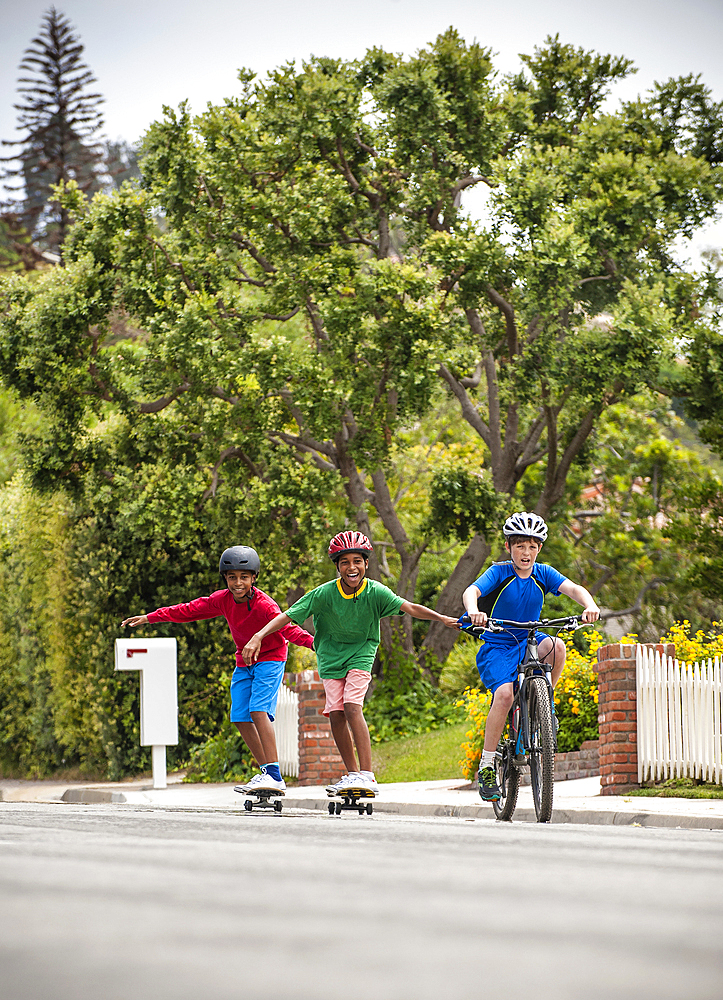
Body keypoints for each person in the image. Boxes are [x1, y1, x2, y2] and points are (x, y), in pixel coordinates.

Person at [242, 530, 459, 797]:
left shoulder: (376, 592)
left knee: (352, 707)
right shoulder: (323, 594)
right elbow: (287, 616)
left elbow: (410, 607)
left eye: (357, 560)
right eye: (345, 562)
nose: (351, 567)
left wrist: (442, 618)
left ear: (366, 564)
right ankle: (353, 774)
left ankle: (367, 775)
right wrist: (259, 635)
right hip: (331, 658)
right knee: (336, 714)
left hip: (361, 653)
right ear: (337, 566)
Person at [121, 545, 314, 796]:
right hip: (244, 662)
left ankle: (275, 776)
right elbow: (188, 610)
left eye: (244, 577)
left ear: (253, 578)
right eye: (232, 577)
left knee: (258, 710)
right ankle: (267, 771)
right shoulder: (222, 600)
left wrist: (316, 644)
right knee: (240, 717)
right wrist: (150, 617)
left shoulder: (265, 605)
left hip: (270, 658)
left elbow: (289, 629)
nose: (238, 583)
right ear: (225, 578)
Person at [461, 512, 600, 802]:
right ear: (509, 546)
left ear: (540, 548)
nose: (526, 552)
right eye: (520, 546)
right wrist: (475, 611)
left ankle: (545, 707)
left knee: (557, 646)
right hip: (497, 646)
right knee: (504, 697)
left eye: (532, 546)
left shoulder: (543, 573)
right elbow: (471, 591)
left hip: (529, 641)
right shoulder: (500, 572)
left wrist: (589, 604)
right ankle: (487, 765)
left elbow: (573, 588)